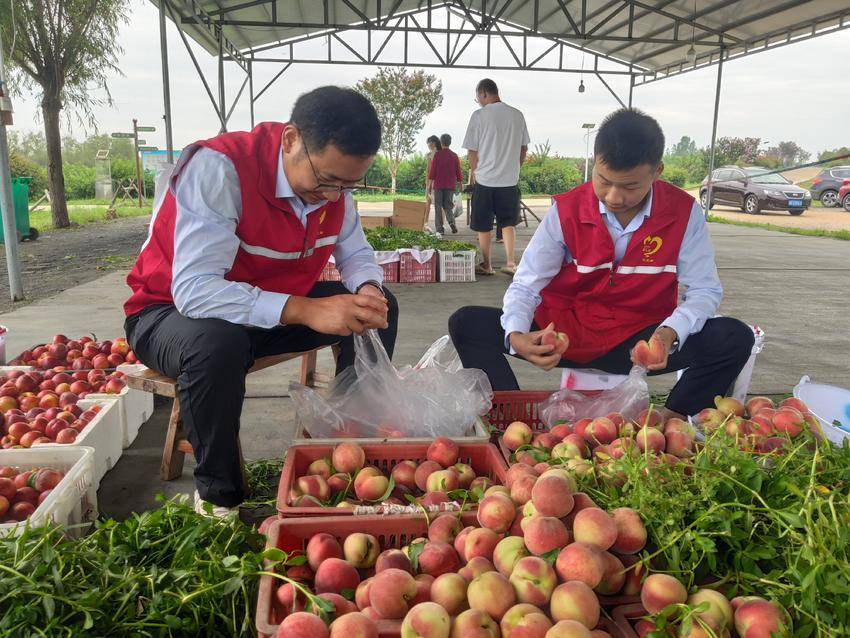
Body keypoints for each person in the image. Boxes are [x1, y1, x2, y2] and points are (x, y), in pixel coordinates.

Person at [124, 86, 399, 515]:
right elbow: (195, 290)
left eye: (347, 186)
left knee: (379, 309)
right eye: (326, 181)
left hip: (263, 313)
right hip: (168, 314)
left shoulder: (335, 188)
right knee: (217, 345)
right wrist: (306, 309)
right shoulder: (221, 169)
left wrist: (367, 288)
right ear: (291, 140)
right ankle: (219, 499)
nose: (333, 196)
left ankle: (349, 442)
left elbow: (356, 253)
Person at [449, 108, 754, 418]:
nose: (613, 197)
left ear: (657, 172)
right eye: (603, 180)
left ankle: (671, 421)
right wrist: (516, 336)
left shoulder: (683, 213)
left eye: (630, 187)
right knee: (466, 324)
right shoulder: (566, 210)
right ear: (594, 162)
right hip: (567, 337)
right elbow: (527, 284)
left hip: (638, 341)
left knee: (735, 337)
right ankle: (512, 421)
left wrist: (669, 334)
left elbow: (704, 291)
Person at [462, 78, 530, 276]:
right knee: (508, 222)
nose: (478, 102)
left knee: (483, 225)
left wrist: (475, 172)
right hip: (509, 181)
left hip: (485, 180)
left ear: (483, 93)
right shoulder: (517, 115)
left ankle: (487, 265)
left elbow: (472, 151)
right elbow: (523, 148)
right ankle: (510, 263)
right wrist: (514, 168)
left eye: (478, 98)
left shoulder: (479, 116)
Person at [428, 133, 463, 235]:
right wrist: (460, 183)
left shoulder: (437, 155)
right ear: (450, 143)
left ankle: (439, 229)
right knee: (448, 206)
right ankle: (451, 222)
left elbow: (433, 171)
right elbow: (458, 171)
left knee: (438, 207)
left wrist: (430, 185)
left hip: (438, 185)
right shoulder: (454, 156)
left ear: (441, 142)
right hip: (450, 185)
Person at [425, 135, 441, 226]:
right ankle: (428, 223)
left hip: (435, 182)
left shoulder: (434, 154)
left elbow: (429, 170)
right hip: (436, 182)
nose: (428, 145)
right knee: (433, 203)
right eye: (428, 143)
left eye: (429, 142)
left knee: (431, 202)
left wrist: (428, 183)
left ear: (434, 143)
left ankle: (427, 222)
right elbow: (428, 170)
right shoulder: (436, 154)